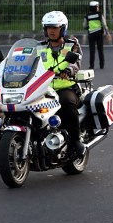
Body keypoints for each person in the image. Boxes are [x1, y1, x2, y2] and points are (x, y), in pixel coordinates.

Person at [39, 10, 85, 157]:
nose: (51, 31)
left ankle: (76, 142)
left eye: (55, 28)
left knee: (67, 103)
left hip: (66, 87)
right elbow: (28, 63)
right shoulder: (39, 47)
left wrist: (69, 71)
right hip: (43, 89)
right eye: (48, 28)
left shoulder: (72, 45)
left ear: (62, 29)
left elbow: (76, 63)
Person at [82, 0, 110, 69]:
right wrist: (107, 33)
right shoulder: (99, 14)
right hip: (99, 33)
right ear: (96, 7)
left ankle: (91, 65)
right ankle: (101, 64)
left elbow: (84, 26)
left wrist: (89, 27)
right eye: (97, 6)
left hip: (91, 34)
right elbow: (104, 24)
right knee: (100, 49)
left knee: (92, 50)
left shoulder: (87, 15)